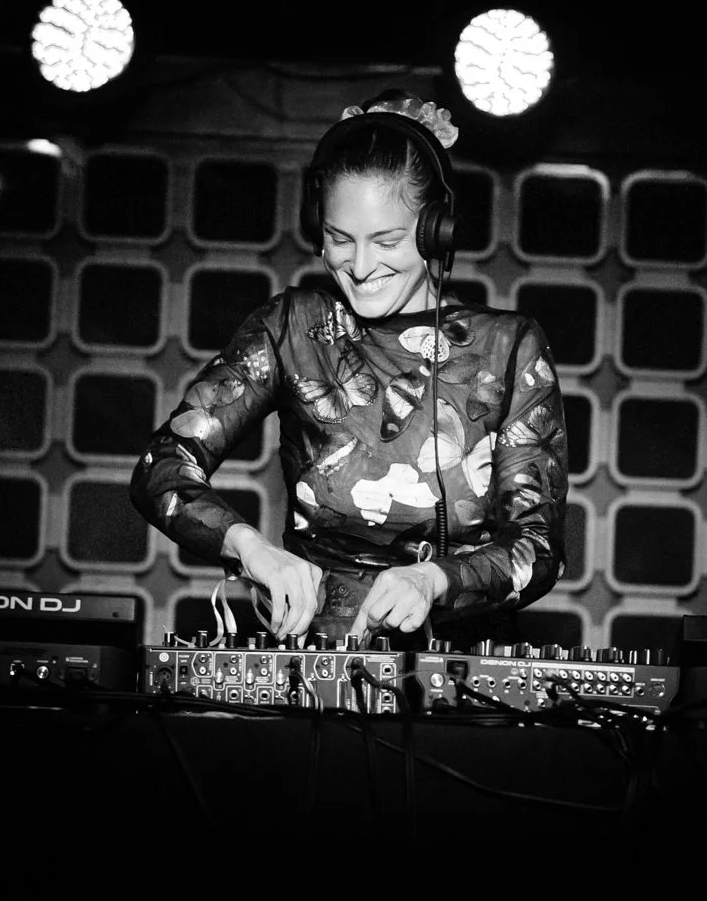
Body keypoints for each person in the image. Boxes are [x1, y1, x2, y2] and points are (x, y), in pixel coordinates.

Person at [130, 89, 568, 651]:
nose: (359, 266)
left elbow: (539, 545)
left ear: (435, 230)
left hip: (462, 670)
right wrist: (250, 549)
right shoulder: (293, 327)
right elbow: (162, 468)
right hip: (317, 662)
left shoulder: (509, 347)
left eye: (387, 241)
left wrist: (436, 580)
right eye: (340, 239)